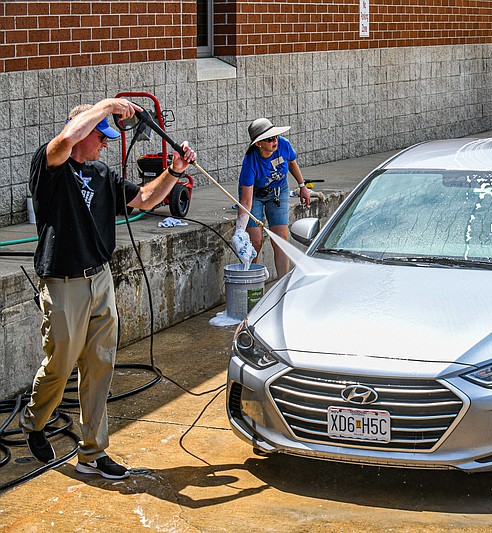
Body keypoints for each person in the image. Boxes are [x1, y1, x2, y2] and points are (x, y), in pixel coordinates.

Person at [20, 98, 197, 479]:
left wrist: (173, 171)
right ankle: (34, 421)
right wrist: (108, 104)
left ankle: (93, 453)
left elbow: (145, 199)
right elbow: (66, 139)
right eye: (100, 135)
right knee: (61, 362)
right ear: (82, 130)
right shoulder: (50, 164)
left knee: (100, 363)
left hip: (99, 278)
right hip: (63, 281)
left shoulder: (102, 174)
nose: (104, 143)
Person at [237, 118, 311, 278]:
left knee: (281, 238)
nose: (275, 141)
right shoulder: (250, 161)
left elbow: (292, 162)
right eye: (270, 139)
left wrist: (302, 186)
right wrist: (239, 230)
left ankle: (282, 282)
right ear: (258, 144)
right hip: (255, 194)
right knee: (255, 240)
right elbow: (246, 201)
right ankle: (251, 279)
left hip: (278, 191)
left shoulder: (283, 145)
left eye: (275, 136)